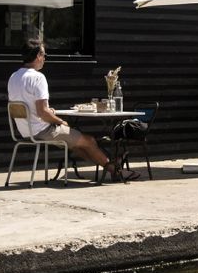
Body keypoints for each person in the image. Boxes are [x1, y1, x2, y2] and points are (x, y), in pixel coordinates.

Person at [7, 39, 135, 181]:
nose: (44, 59)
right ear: (38, 55)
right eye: (44, 55)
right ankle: (115, 170)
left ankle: (110, 165)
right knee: (90, 141)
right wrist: (61, 121)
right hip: (42, 131)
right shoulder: (38, 78)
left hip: (25, 131)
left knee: (77, 146)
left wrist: (50, 112)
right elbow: (43, 113)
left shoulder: (14, 77)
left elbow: (33, 108)